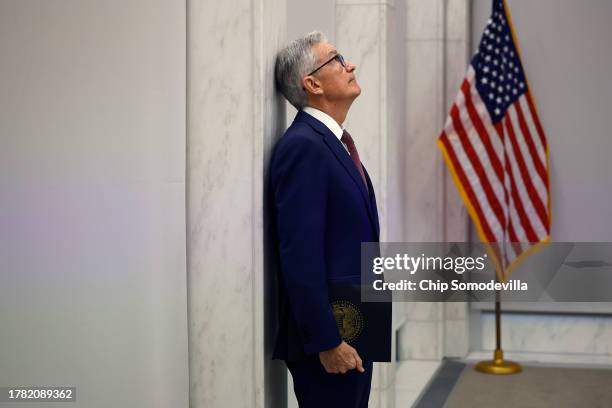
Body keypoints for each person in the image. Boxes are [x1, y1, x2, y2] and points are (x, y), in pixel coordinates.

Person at [270, 31, 382, 407]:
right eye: (337, 59)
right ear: (312, 83)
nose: (350, 65)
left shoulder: (333, 142)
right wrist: (327, 341)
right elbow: (300, 255)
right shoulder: (303, 147)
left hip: (355, 327)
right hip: (329, 342)